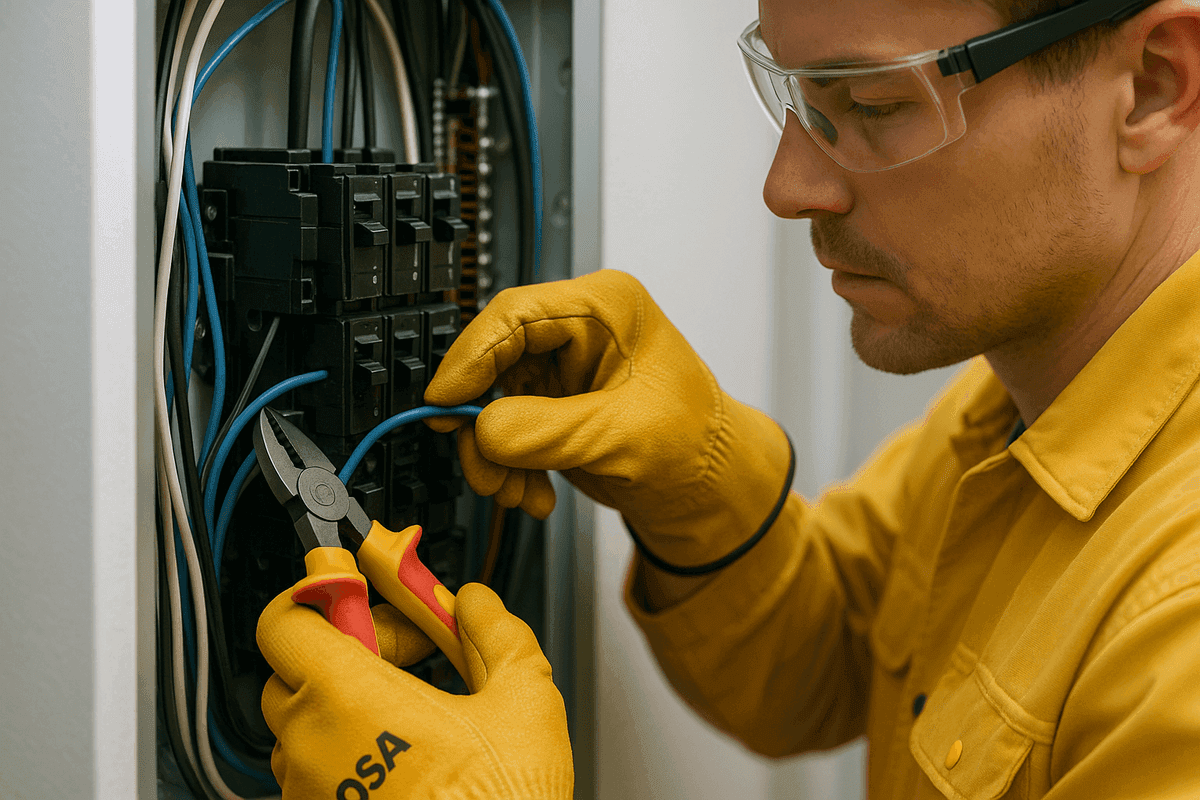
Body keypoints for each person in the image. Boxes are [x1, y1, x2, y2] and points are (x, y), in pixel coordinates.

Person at [254, 0, 1200, 796]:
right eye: (796, 96)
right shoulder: (1026, 394)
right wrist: (703, 490)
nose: (788, 186)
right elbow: (819, 672)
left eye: (874, 104)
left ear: (1155, 85)